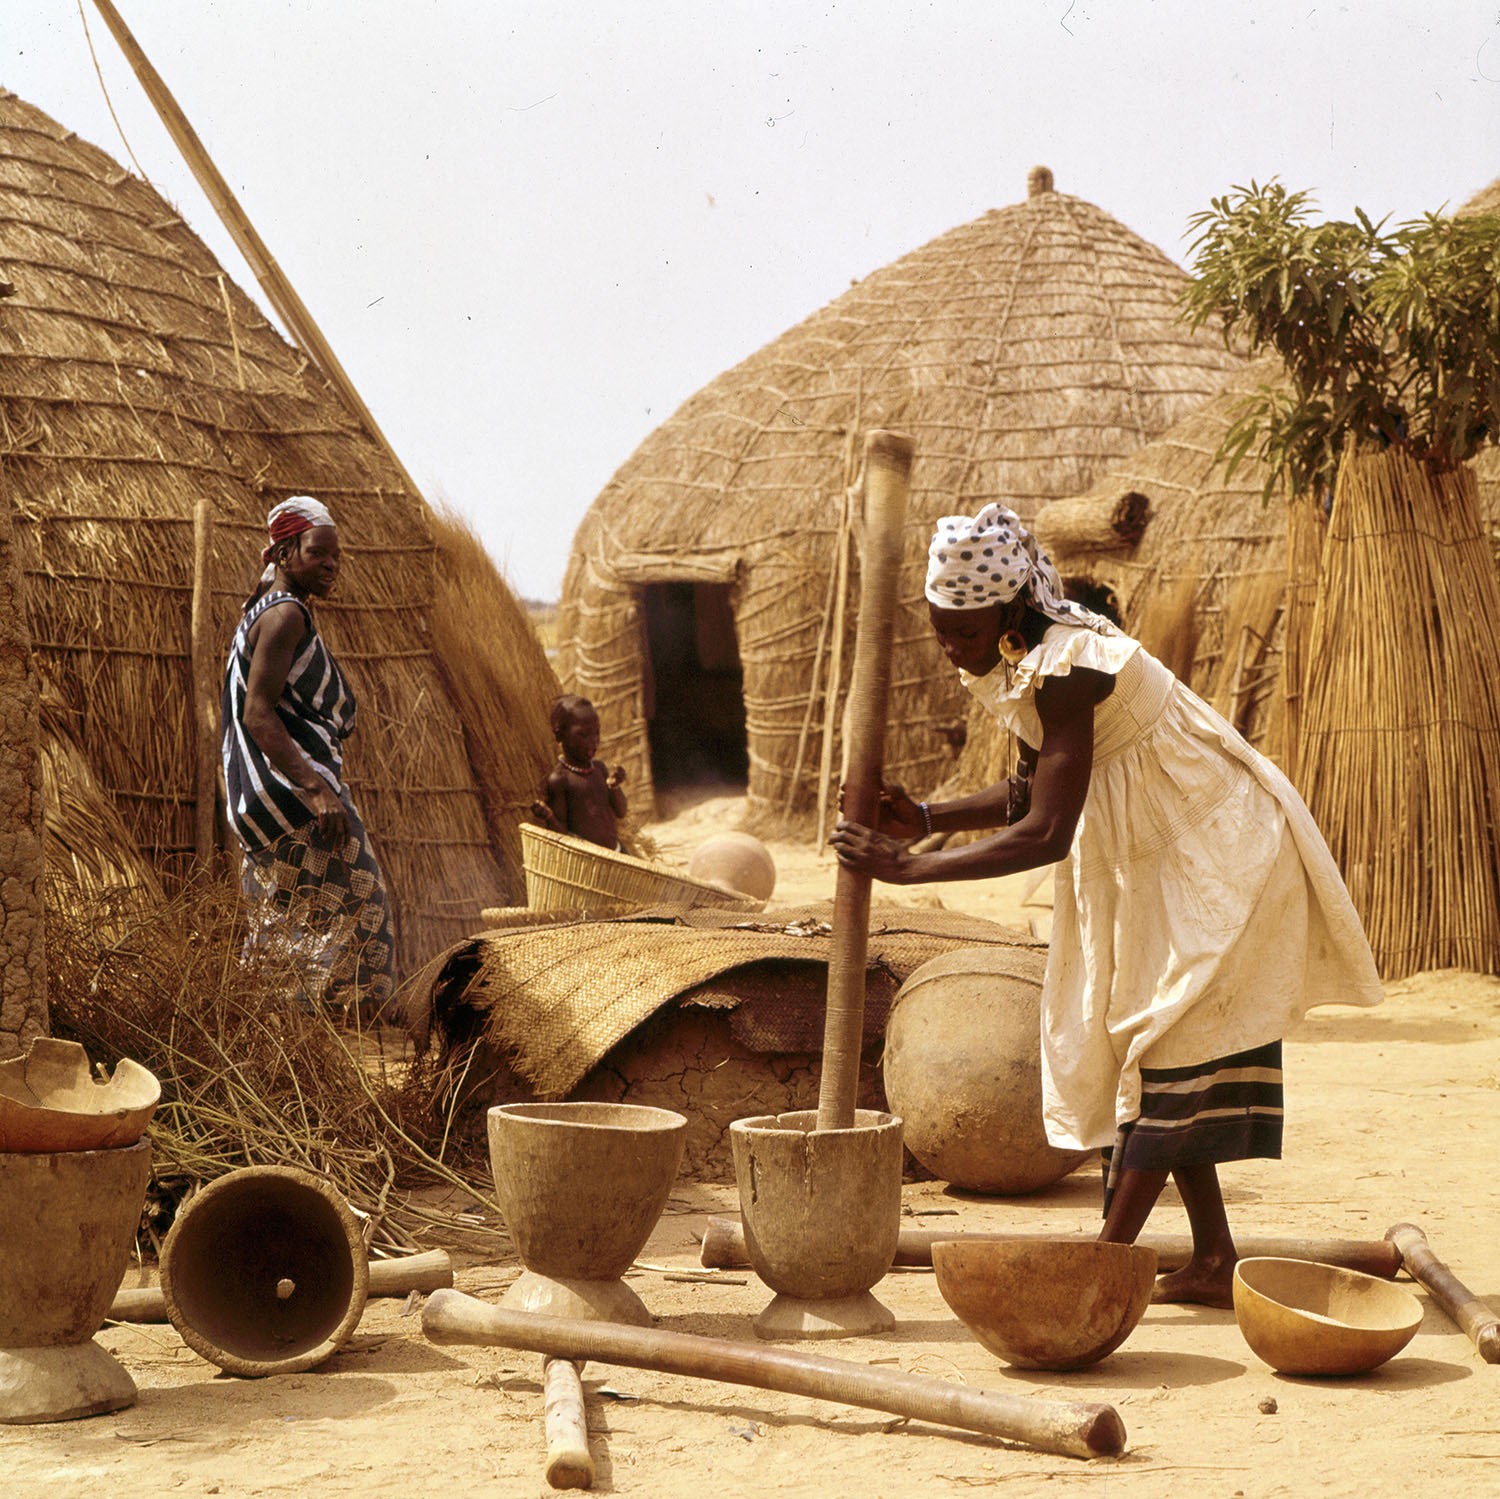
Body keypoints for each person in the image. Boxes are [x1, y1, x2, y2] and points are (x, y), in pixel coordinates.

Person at [830, 503, 1381, 1307]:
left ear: (1009, 606)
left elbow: (1047, 831)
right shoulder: (1023, 656)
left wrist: (908, 868)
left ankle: (1094, 1271)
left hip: (1214, 843)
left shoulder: (1072, 662)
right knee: (1152, 1042)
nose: (951, 647)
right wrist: (924, 816)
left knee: (1167, 1043)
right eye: (940, 629)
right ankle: (1213, 1257)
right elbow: (1031, 787)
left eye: (965, 630)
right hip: (1154, 853)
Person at [222, 496, 395, 1022]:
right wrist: (317, 789)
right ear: (284, 553)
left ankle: (264, 1037)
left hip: (263, 803)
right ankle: (342, 1042)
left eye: (335, 556)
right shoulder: (285, 616)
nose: (331, 564)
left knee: (281, 927)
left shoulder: (266, 609)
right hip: (293, 800)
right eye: (318, 553)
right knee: (363, 918)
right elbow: (257, 713)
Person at [530, 694, 628, 850]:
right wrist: (549, 816)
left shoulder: (600, 769)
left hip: (617, 852)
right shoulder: (561, 780)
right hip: (588, 860)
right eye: (583, 734)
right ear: (560, 735)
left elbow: (621, 811)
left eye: (597, 732)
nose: (593, 740)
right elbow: (561, 836)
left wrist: (614, 787)